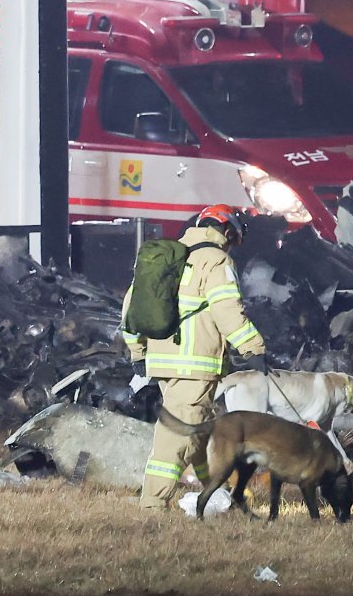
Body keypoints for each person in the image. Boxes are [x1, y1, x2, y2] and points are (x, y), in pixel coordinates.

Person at [123, 204, 268, 510]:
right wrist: (253, 349)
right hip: (195, 365)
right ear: (227, 232)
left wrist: (138, 352)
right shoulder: (216, 261)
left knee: (199, 432)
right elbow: (227, 310)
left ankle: (216, 493)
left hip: (162, 362)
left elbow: (130, 309)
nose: (232, 245)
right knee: (175, 436)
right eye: (233, 239)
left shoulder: (165, 257)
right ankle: (152, 505)